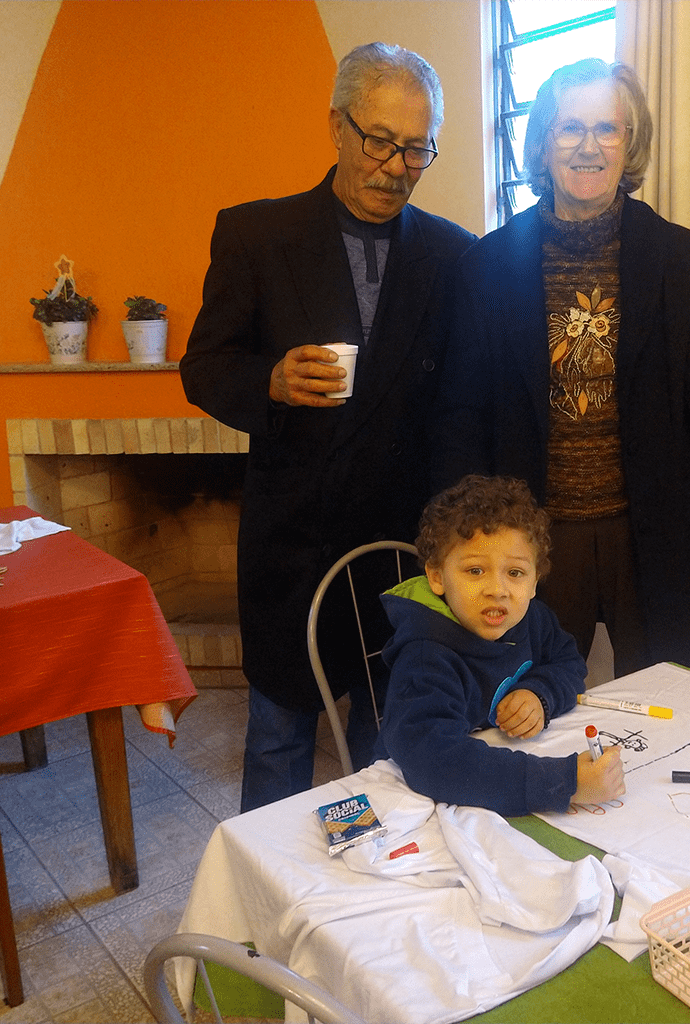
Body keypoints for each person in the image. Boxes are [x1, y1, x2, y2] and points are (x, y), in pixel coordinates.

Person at [433, 59, 690, 679]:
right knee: (525, 703)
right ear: (543, 144)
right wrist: (458, 544)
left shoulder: (681, 260)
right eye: (570, 128)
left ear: (629, 144)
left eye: (607, 128)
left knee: (671, 704)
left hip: (654, 533)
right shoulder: (486, 266)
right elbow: (461, 420)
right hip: (529, 540)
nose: (589, 147)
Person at [180, 43, 476, 813]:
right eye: (379, 140)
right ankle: (267, 885)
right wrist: (270, 381)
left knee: (386, 750)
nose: (395, 167)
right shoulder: (256, 235)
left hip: (402, 554)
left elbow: (461, 407)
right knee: (278, 744)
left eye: (416, 149)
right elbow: (203, 368)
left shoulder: (454, 255)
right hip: (293, 549)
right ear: (338, 127)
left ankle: (364, 879)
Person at [373, 474, 625, 816]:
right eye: (475, 571)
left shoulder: (533, 619)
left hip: (489, 783)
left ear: (535, 581)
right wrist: (564, 782)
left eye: (515, 573)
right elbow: (435, 761)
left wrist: (539, 693)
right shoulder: (424, 657)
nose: (497, 590)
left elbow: (568, 662)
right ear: (437, 576)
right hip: (410, 803)